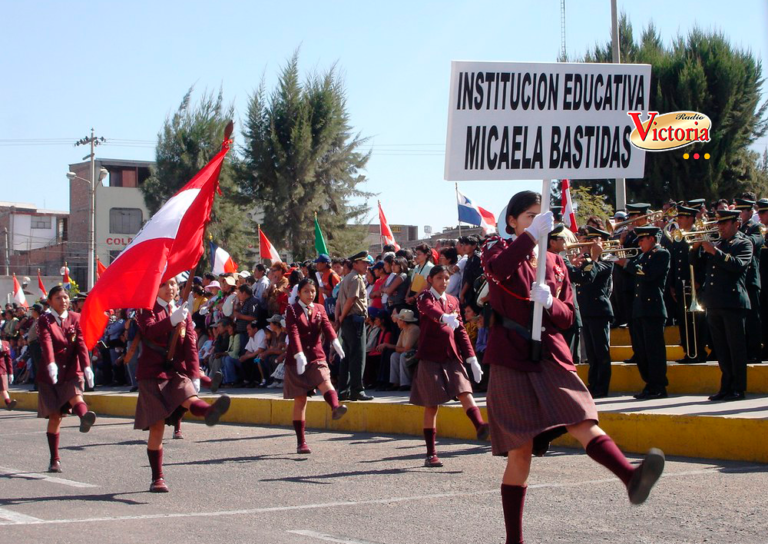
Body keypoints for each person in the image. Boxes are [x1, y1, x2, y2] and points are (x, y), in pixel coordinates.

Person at [482, 191, 665, 544]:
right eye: (529, 216)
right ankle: (513, 540)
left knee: (582, 416)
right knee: (520, 449)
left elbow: (568, 317)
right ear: (512, 221)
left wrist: (550, 302)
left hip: (550, 351)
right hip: (511, 354)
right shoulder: (498, 249)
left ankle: (630, 477)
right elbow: (498, 271)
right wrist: (529, 237)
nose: (538, 221)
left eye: (542, 217)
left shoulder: (554, 262)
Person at [135, 276, 231, 492]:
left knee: (190, 396)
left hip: (175, 369)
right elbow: (149, 331)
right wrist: (171, 320)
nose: (170, 288)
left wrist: (195, 373)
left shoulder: (182, 311)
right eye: (164, 284)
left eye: (172, 284)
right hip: (152, 372)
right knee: (157, 426)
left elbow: (190, 345)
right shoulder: (145, 309)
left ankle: (209, 411)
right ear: (155, 288)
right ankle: (157, 477)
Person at [412, 265, 489, 467]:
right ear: (430, 279)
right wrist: (443, 317)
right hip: (430, 357)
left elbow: (461, 332)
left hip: (452, 356)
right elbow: (429, 310)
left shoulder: (454, 301)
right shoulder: (424, 297)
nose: (444, 281)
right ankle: (431, 453)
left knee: (465, 390)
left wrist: (472, 358)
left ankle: (480, 425)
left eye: (447, 278)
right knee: (431, 405)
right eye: (439, 278)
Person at [691, 209, 753, 401]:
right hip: (714, 302)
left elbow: (736, 265)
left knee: (736, 348)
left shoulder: (744, 243)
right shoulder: (719, 243)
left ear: (737, 224)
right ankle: (726, 386)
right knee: (721, 348)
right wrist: (696, 248)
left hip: (733, 302)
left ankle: (738, 388)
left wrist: (714, 251)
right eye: (718, 223)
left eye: (724, 223)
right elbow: (696, 265)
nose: (720, 227)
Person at [36, 285, 98, 473]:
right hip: (51, 373)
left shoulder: (76, 318)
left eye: (65, 297)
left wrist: (87, 366)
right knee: (55, 416)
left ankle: (84, 417)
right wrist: (51, 363)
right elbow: (46, 341)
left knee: (75, 394)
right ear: (50, 302)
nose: (63, 301)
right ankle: (55, 459)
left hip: (72, 367)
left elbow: (81, 342)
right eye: (58, 298)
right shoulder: (44, 320)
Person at [284, 278, 348, 453]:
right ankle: (301, 442)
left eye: (313, 291)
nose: (310, 294)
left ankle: (335, 407)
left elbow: (327, 326)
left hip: (316, 355)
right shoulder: (292, 309)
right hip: (297, 360)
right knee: (300, 400)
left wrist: (335, 341)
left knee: (324, 379)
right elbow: (293, 332)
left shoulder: (319, 308)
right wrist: (298, 354)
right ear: (299, 293)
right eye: (306, 291)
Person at [618, 226, 671, 399]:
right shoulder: (642, 256)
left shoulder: (662, 254)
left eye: (643, 239)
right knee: (642, 350)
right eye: (639, 240)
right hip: (640, 308)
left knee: (654, 350)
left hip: (653, 308)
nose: (639, 243)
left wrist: (626, 263)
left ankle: (658, 385)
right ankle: (649, 383)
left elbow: (648, 274)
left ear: (652, 239)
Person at [570, 226, 614, 398]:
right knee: (591, 353)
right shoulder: (589, 260)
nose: (590, 243)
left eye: (594, 240)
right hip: (587, 310)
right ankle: (593, 383)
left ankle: (602, 386)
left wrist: (594, 256)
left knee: (601, 351)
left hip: (599, 310)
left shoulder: (607, 259)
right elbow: (580, 276)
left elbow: (593, 275)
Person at [335, 251, 373, 401]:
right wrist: (342, 317)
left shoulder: (346, 278)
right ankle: (357, 390)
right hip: (354, 319)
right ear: (355, 264)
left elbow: (339, 301)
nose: (367, 266)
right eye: (364, 263)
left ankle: (343, 390)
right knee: (358, 356)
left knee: (347, 356)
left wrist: (340, 319)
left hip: (348, 320)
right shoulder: (356, 279)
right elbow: (351, 300)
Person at [734, 198, 764, 363]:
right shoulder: (739, 228)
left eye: (742, 211)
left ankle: (754, 351)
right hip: (738, 280)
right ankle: (744, 350)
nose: (739, 215)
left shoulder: (756, 228)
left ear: (750, 212)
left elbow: (753, 243)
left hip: (750, 278)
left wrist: (736, 232)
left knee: (753, 318)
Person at [386, 308, 420, 391]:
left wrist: (401, 349)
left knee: (404, 356)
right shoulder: (403, 331)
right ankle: (395, 382)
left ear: (403, 321)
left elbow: (408, 348)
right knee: (394, 355)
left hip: (416, 353)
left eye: (399, 320)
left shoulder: (414, 329)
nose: (397, 321)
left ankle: (406, 383)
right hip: (408, 352)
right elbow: (398, 348)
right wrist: (402, 349)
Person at [1, 337, 17, 410]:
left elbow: (8, 359)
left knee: (3, 389)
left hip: (2, 370)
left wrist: (11, 373)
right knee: (3, 389)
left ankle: (9, 403)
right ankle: (8, 403)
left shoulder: (5, 344)